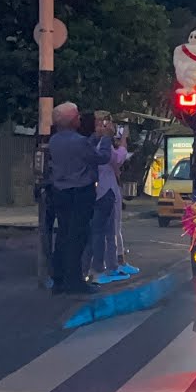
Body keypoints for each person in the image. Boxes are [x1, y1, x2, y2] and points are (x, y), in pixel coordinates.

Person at [48, 103, 114, 294]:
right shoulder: (78, 142)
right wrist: (107, 138)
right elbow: (100, 157)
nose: (80, 119)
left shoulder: (55, 141)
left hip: (60, 191)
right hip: (80, 191)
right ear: (71, 120)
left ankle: (58, 279)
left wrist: (95, 137)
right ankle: (74, 281)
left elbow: (84, 149)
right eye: (76, 116)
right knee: (78, 235)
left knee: (63, 233)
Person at [86, 117, 135, 284]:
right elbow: (118, 158)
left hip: (102, 191)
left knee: (106, 231)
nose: (106, 127)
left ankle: (110, 266)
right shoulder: (101, 146)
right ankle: (105, 268)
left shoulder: (92, 144)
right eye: (101, 124)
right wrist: (123, 139)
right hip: (105, 192)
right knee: (106, 231)